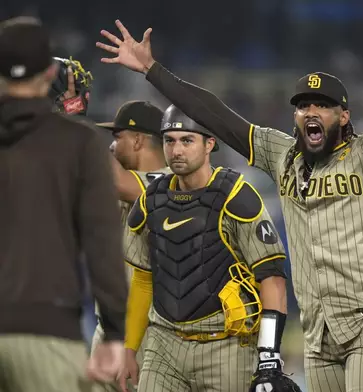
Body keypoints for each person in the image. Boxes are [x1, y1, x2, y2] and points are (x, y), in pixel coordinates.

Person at [94, 12, 363, 389]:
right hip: (319, 332)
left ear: (344, 116)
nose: (310, 111)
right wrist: (152, 70)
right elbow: (214, 115)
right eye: (302, 105)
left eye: (322, 105)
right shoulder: (281, 154)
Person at [123, 104, 294, 392]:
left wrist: (268, 357)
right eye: (170, 140)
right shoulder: (150, 200)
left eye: (187, 141)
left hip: (225, 347)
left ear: (209, 145)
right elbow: (142, 278)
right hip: (164, 346)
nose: (176, 150)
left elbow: (272, 276)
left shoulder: (236, 197)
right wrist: (128, 348)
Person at [0, 16, 127, 391]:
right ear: (49, 72)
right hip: (46, 328)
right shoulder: (78, 143)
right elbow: (102, 244)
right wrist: (115, 334)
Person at [93, 100, 171, 392]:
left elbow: (120, 184)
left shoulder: (171, 183)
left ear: (139, 139)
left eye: (117, 137)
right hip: (107, 329)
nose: (111, 147)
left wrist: (74, 122)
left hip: (148, 337)